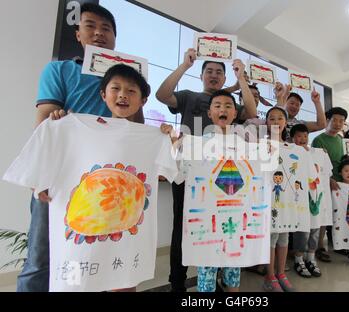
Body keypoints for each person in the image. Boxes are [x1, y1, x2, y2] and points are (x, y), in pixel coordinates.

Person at [5, 64, 177, 292]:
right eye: (116, 88)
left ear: (143, 101)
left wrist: (169, 140)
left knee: (123, 282)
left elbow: (171, 171)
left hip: (123, 234)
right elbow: (40, 165)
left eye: (131, 91)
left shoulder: (151, 137)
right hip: (81, 237)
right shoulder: (69, 126)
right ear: (103, 94)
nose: (123, 94)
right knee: (78, 281)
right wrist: (57, 129)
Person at [18, 3, 144, 292]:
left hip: (104, 183)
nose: (99, 33)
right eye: (90, 26)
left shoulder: (125, 79)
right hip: (61, 176)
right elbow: (45, 121)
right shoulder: (59, 70)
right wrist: (43, 174)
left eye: (106, 29)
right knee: (40, 256)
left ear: (115, 38)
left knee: (89, 255)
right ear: (78, 35)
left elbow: (135, 129)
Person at [156, 50, 257, 291]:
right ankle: (178, 281)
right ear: (201, 75)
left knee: (222, 223)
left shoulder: (230, 105)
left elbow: (251, 113)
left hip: (223, 175)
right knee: (183, 225)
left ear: (224, 79)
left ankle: (218, 274)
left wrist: (241, 77)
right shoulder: (189, 97)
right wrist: (184, 65)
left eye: (219, 72)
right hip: (188, 172)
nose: (214, 75)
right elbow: (162, 95)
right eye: (209, 71)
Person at [160, 90, 244, 292]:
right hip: (208, 222)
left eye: (228, 106)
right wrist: (173, 146)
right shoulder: (197, 144)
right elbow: (179, 176)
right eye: (217, 106)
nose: (222, 109)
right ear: (209, 114)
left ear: (235, 114)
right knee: (206, 270)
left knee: (233, 269)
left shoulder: (245, 146)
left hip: (236, 219)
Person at [263, 106, 295, 292]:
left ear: (286, 122)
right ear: (266, 123)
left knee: (284, 236)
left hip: (288, 200)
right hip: (268, 199)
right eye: (272, 118)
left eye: (280, 118)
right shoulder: (261, 144)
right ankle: (269, 276)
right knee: (271, 237)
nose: (276, 122)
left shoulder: (293, 147)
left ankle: (281, 273)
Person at [311, 107, 348, 262]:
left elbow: (346, 161)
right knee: (324, 216)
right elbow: (316, 165)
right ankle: (319, 247)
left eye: (341, 121)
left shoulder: (341, 140)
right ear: (327, 120)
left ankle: (339, 243)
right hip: (325, 183)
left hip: (341, 183)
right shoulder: (318, 140)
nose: (338, 123)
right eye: (335, 120)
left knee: (339, 214)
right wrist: (329, 179)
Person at [290, 124, 322, 278]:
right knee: (302, 229)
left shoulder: (315, 153)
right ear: (292, 138)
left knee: (315, 227)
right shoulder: (290, 153)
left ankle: (311, 257)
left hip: (314, 196)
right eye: (298, 136)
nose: (302, 139)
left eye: (305, 136)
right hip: (298, 196)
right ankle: (298, 259)